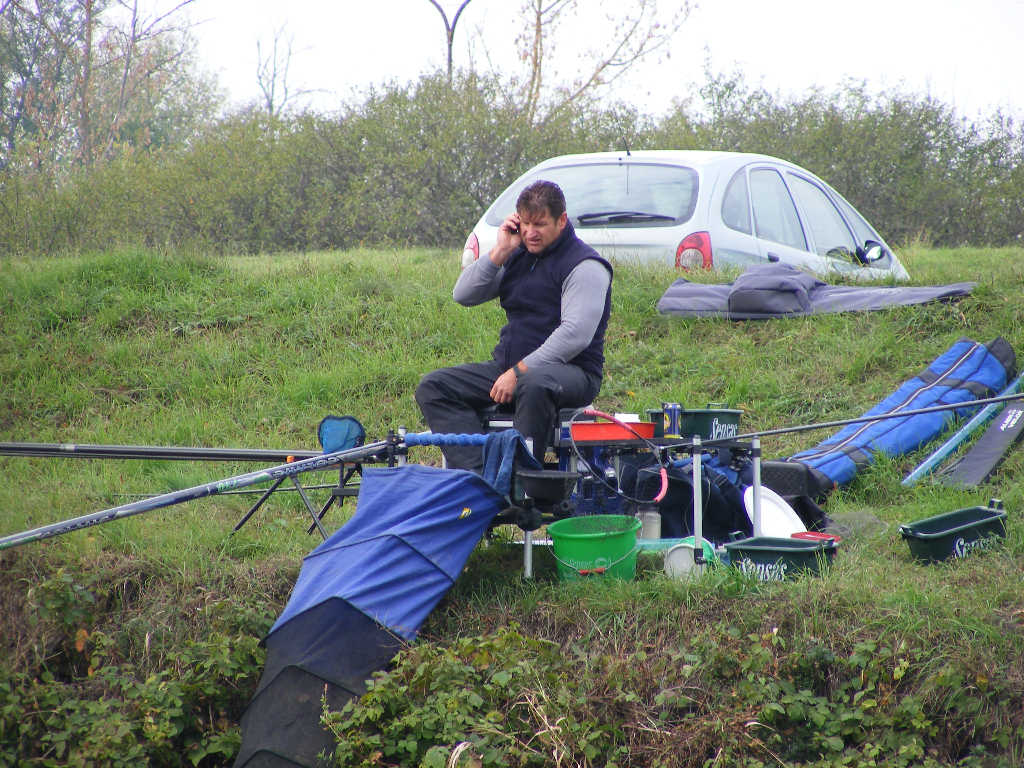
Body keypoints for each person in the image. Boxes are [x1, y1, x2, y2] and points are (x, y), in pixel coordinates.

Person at [416, 180, 613, 471]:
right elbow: (463, 295)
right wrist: (501, 250)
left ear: (561, 220)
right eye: (526, 223)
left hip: (573, 373)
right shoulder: (518, 255)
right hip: (508, 368)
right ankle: (479, 475)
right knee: (434, 386)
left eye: (540, 224)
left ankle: (519, 479)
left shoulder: (585, 265)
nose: (530, 233)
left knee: (534, 383)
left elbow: (575, 336)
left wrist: (518, 372)